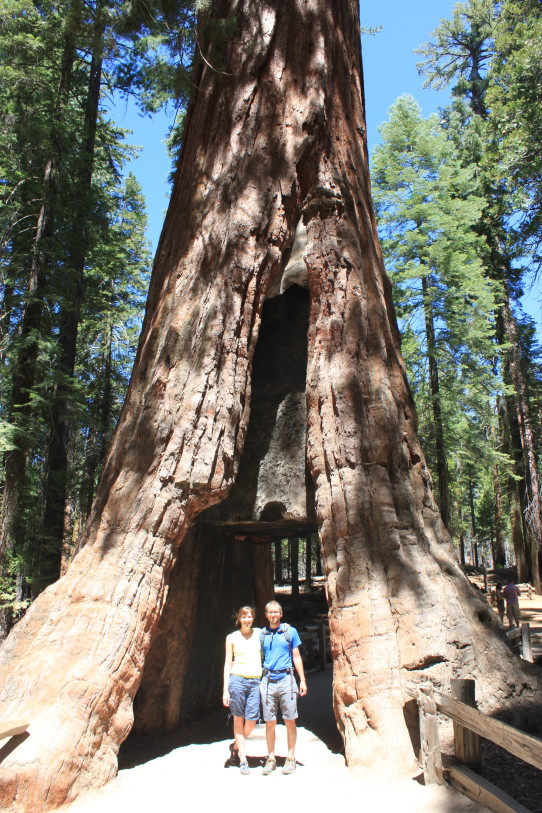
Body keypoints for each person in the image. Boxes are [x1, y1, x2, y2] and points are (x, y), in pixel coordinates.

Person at [260, 600, 307, 776]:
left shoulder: (290, 632)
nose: (273, 615)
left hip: (286, 679)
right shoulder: (262, 635)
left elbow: (296, 656)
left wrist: (302, 680)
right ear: (266, 615)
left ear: (281, 614)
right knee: (270, 721)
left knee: (289, 720)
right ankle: (271, 758)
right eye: (270, 612)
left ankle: (290, 757)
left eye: (276, 612)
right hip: (268, 680)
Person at [223, 606, 262, 775]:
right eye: (244, 617)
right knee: (238, 720)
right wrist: (225, 690)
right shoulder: (231, 638)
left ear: (253, 618)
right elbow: (227, 663)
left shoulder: (260, 634)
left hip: (255, 681)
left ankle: (236, 745)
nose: (247, 619)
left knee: (252, 721)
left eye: (250, 616)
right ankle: (243, 759)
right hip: (237, 680)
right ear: (238, 618)